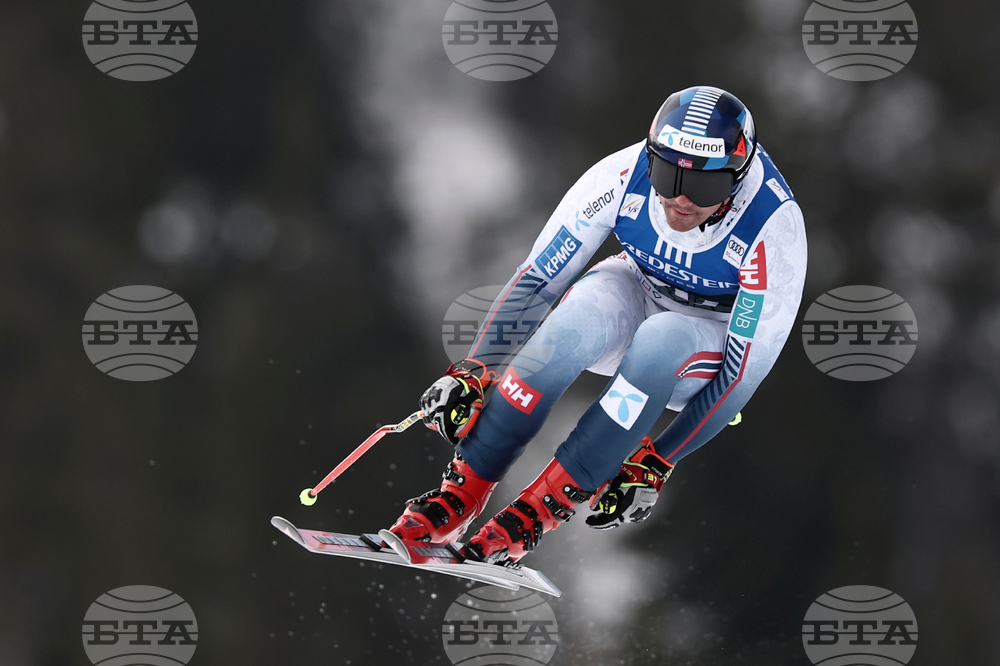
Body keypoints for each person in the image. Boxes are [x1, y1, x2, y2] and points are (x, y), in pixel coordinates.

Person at [388, 86, 807, 565]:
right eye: (667, 175)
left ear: (738, 177)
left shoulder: (773, 226)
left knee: (662, 340)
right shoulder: (622, 176)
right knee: (573, 319)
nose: (681, 200)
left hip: (704, 345)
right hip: (639, 286)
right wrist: (474, 367)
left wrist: (659, 458)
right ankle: (457, 496)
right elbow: (539, 278)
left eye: (705, 187)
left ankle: (533, 516)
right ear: (651, 158)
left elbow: (742, 374)